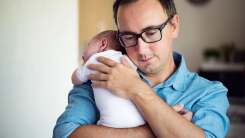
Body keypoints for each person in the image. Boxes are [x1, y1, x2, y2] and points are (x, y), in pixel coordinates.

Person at [53, 0, 229, 138]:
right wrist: (152, 131)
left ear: (174, 26)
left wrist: (135, 89)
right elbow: (64, 134)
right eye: (129, 36)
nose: (142, 49)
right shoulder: (100, 74)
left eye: (151, 32)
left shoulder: (209, 92)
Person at [71, 30, 145, 128]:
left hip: (111, 123)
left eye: (88, 45)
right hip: (139, 121)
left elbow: (75, 79)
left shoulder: (95, 59)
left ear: (103, 44)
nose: (83, 54)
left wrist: (83, 65)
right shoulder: (126, 60)